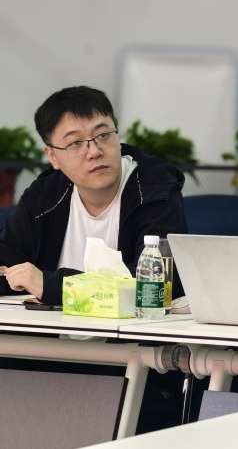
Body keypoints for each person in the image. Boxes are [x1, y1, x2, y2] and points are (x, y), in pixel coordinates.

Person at [0, 86, 187, 302]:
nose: (95, 151)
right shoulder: (45, 196)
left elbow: (154, 284)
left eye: (103, 135)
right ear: (52, 156)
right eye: (75, 143)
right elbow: (7, 263)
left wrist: (52, 285)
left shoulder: (154, 190)